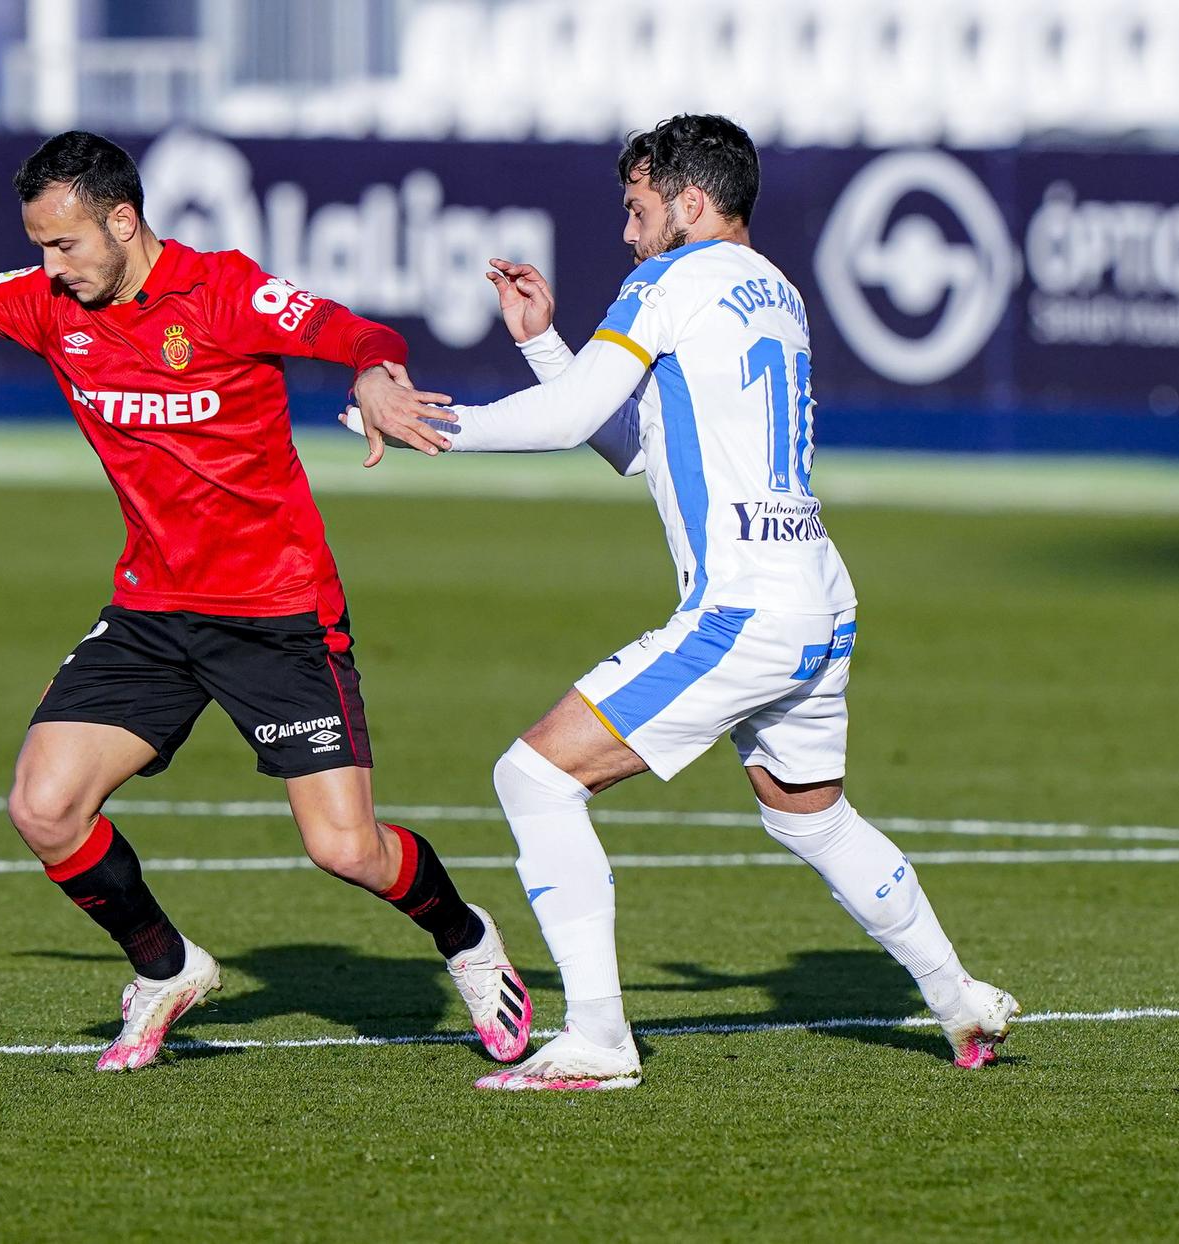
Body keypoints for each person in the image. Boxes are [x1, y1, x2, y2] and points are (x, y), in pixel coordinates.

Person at [0, 130, 533, 1072]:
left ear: (122, 221)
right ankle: (167, 969)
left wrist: (375, 373)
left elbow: (353, 331)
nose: (50, 266)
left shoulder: (223, 291)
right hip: (154, 613)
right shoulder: (50, 304)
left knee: (345, 849)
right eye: (40, 246)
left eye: (65, 245)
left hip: (277, 613)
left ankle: (465, 939)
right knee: (44, 807)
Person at [352, 114, 1017, 1091]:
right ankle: (955, 995)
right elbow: (639, 447)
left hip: (745, 607)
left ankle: (598, 1038)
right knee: (807, 814)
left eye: (635, 208)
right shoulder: (773, 291)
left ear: (689, 203)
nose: (625, 233)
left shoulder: (669, 281)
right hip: (817, 596)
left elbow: (579, 420)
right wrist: (547, 350)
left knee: (533, 778)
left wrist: (429, 423)